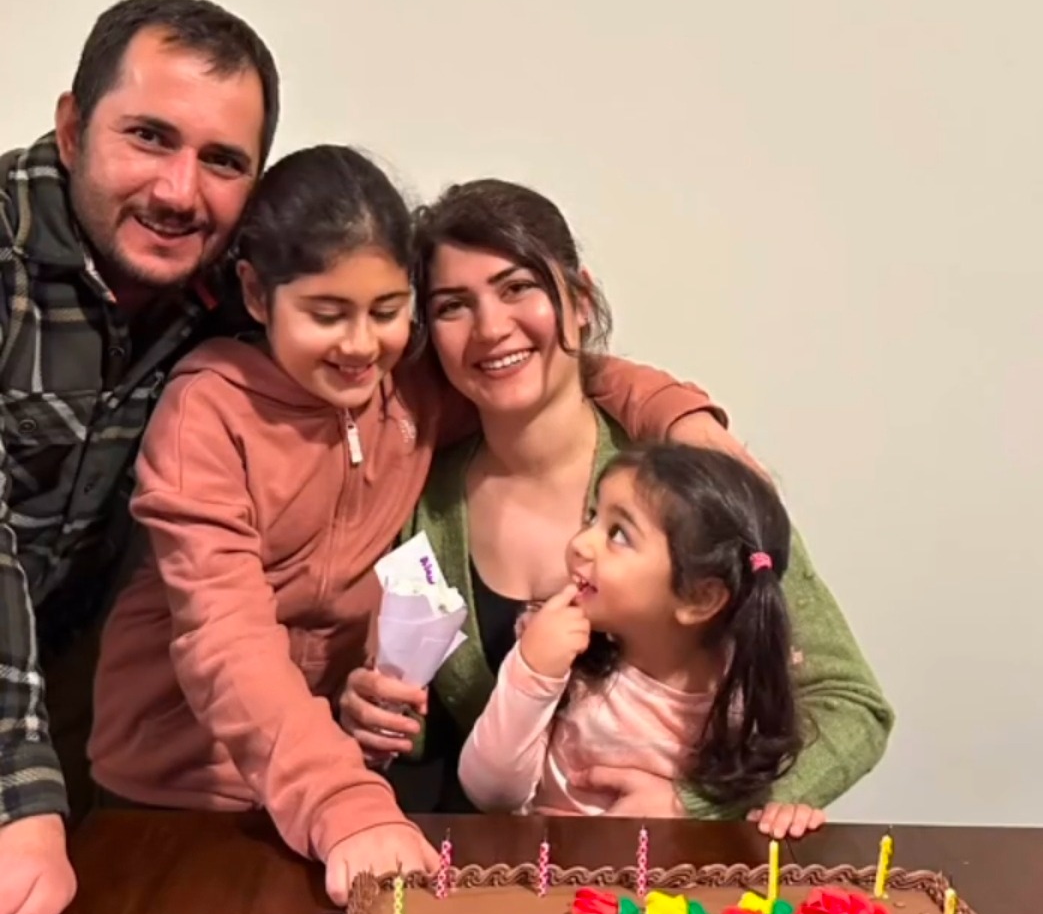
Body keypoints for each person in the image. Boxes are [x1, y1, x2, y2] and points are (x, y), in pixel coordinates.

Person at [88, 146, 733, 904]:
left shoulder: (409, 392)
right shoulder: (208, 411)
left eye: (387, 311)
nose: (361, 346)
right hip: (180, 790)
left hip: (334, 785)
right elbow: (224, 635)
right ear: (257, 294)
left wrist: (676, 412)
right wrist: (344, 803)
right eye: (326, 314)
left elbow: (551, 366)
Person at [341, 180, 894, 829]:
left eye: (518, 288)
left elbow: (851, 704)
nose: (490, 328)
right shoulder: (422, 502)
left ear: (580, 300)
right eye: (453, 306)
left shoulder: (686, 481)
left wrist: (697, 806)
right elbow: (434, 736)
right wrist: (375, 717)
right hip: (505, 872)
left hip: (673, 881)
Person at [0, 0, 279, 914]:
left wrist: (661, 413)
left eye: (222, 161)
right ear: (74, 129)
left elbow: (430, 333)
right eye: (149, 137)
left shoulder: (233, 282)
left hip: (73, 699)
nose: (178, 190)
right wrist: (18, 796)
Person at [459, 441, 820, 820]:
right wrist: (532, 675)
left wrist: (783, 814)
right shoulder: (562, 653)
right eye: (592, 517)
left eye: (618, 535)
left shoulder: (743, 694)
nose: (580, 543)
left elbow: (748, 803)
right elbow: (490, 793)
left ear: (699, 598)